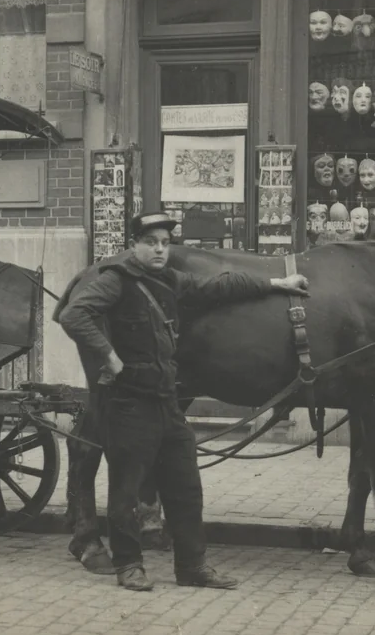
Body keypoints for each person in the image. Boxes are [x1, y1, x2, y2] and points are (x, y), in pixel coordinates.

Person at [57, 211, 310, 592]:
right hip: (129, 400)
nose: (159, 249)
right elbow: (74, 315)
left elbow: (220, 286)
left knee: (186, 486)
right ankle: (129, 566)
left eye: (164, 242)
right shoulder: (116, 281)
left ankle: (192, 566)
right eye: (151, 242)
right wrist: (107, 354)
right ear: (135, 245)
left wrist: (277, 282)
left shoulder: (168, 280)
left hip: (166, 399)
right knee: (126, 487)